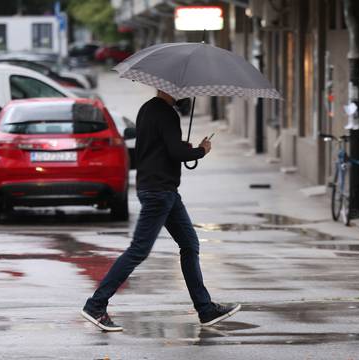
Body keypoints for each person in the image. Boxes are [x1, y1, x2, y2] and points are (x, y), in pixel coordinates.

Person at [81, 90, 240, 332]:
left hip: (161, 190)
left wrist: (179, 146)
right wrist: (201, 150)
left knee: (189, 244)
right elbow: (176, 153)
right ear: (168, 88)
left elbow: (161, 147)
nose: (182, 91)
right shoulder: (167, 114)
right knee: (138, 250)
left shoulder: (147, 109)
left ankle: (206, 310)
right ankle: (96, 305)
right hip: (159, 192)